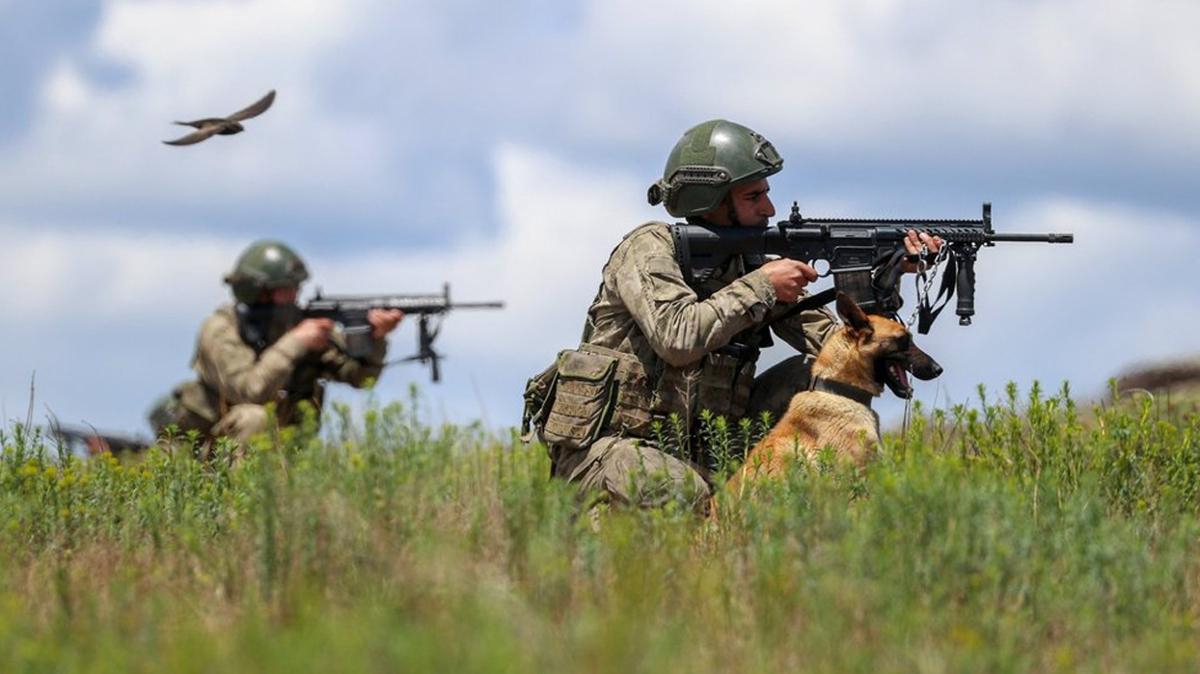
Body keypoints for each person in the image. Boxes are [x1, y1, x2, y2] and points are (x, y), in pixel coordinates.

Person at [523, 119, 940, 510]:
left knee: (810, 371)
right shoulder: (649, 249)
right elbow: (676, 338)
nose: (770, 209)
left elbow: (844, 352)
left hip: (702, 453)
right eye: (753, 196)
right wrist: (761, 286)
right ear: (712, 201)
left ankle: (846, 494)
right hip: (611, 451)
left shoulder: (748, 264)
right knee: (686, 493)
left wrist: (887, 275)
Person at [149, 240, 403, 453]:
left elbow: (360, 378)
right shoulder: (220, 330)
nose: (295, 296)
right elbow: (249, 391)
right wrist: (295, 344)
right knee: (254, 417)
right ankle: (239, 511)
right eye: (287, 289)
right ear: (259, 292)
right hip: (205, 455)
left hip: (282, 453)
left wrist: (376, 339)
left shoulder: (297, 326)